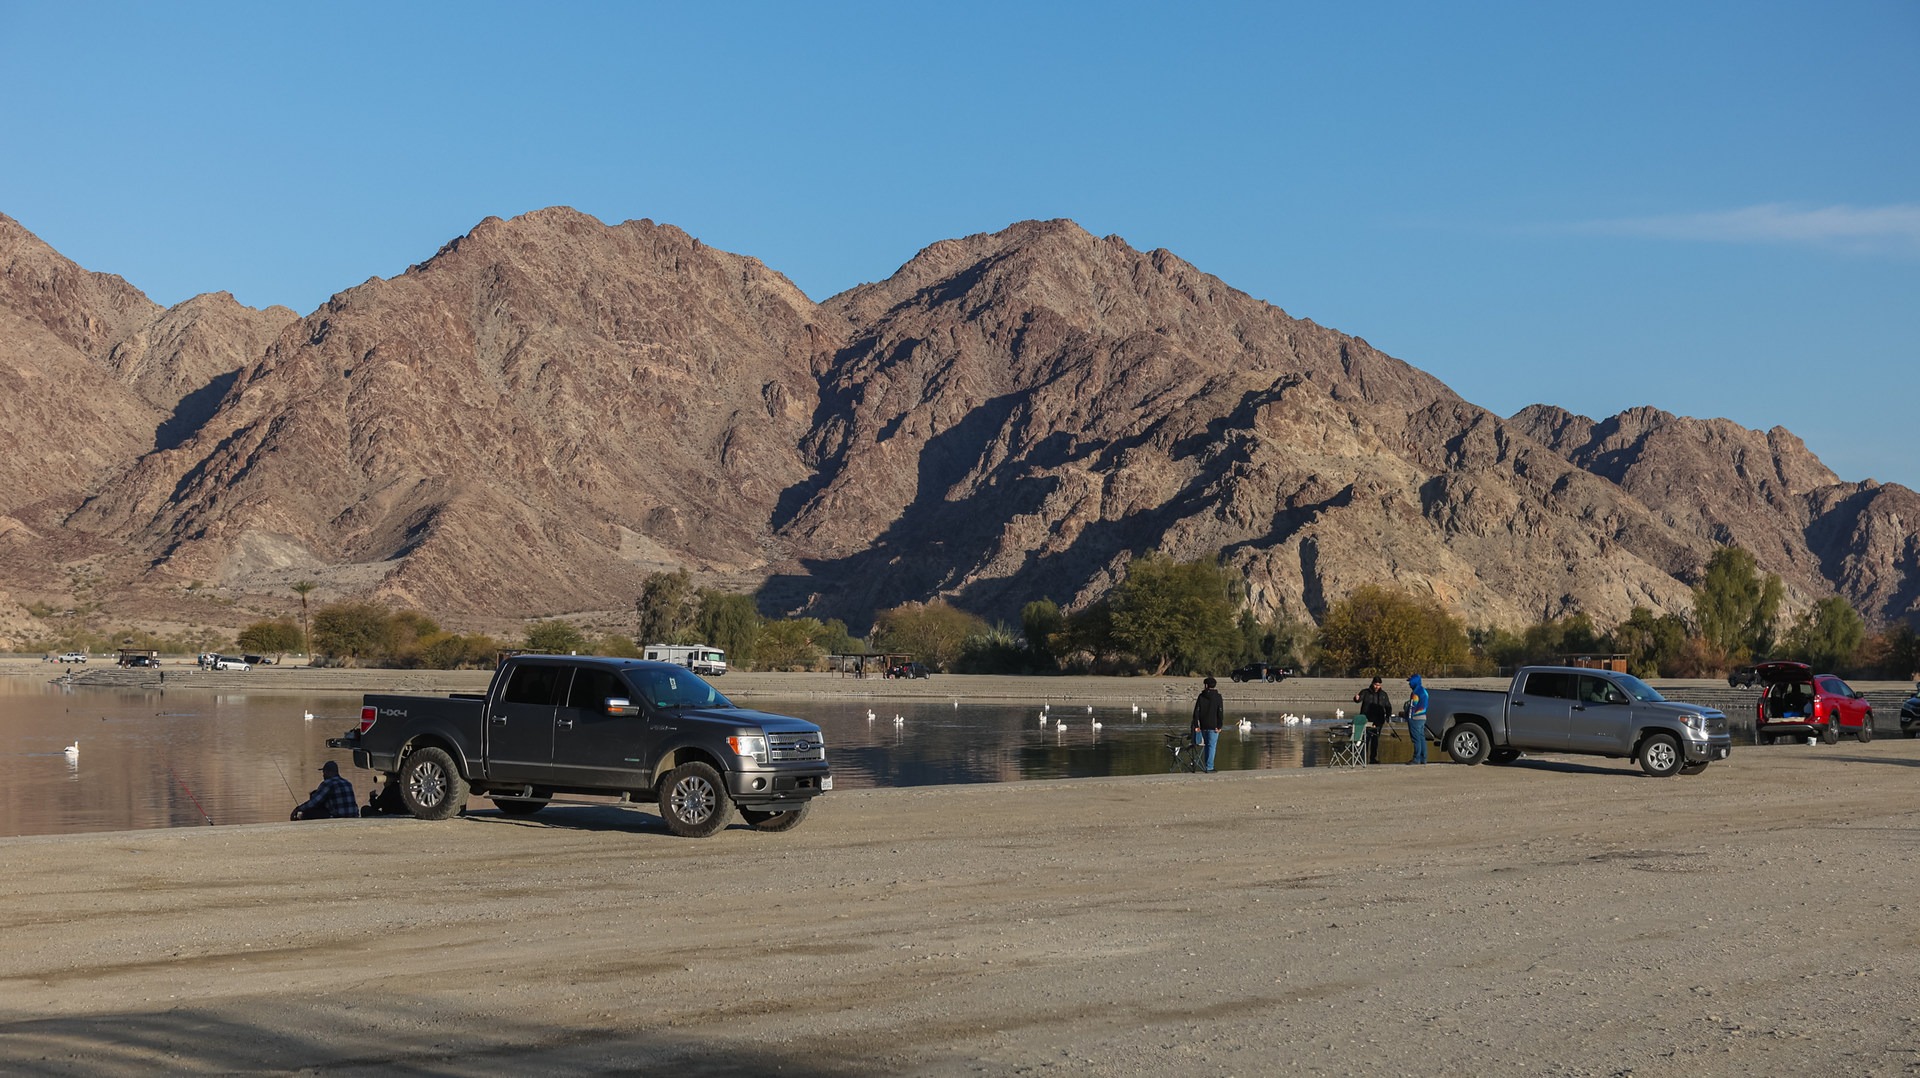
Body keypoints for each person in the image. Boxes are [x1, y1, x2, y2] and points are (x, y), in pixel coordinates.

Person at [291, 760, 361, 820]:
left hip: (338, 817)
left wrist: (298, 809)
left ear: (329, 772)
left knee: (308, 812)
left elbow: (314, 802)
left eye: (324, 772)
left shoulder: (328, 783)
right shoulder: (347, 783)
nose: (323, 775)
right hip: (353, 816)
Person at [1354, 676, 1392, 764]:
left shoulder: (1383, 694)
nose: (1376, 687)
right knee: (1365, 739)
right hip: (1366, 719)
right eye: (1375, 685)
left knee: (1375, 739)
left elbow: (1388, 706)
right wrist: (1356, 698)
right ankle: (1362, 757)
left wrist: (1388, 716)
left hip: (1379, 720)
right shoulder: (1365, 692)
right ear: (1372, 683)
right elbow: (1359, 699)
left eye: (1378, 685)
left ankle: (1373, 758)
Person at [1191, 676, 1225, 773]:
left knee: (1207, 746)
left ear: (1206, 685)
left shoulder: (1201, 696)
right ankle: (1209, 767)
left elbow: (1196, 712)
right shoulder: (1218, 697)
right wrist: (1219, 726)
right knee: (1211, 746)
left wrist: (1196, 725)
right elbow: (1220, 712)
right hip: (1214, 726)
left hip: (1203, 725)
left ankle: (1207, 765)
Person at [1406, 675, 1430, 765]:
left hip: (1415, 718)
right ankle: (1424, 758)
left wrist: (1409, 717)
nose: (1409, 684)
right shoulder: (1424, 691)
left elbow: (1413, 706)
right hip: (1423, 716)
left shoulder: (1415, 693)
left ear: (1414, 682)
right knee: (1422, 738)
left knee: (1416, 739)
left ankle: (1416, 758)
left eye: (1410, 682)